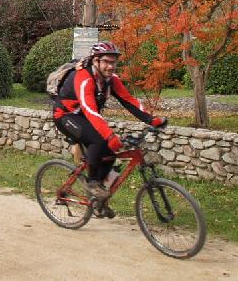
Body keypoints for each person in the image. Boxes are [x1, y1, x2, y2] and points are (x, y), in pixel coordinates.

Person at [52, 41, 167, 203]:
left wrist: (151, 119)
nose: (111, 67)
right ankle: (93, 183)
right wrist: (109, 136)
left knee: (110, 152)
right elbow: (89, 110)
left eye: (114, 62)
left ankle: (98, 199)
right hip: (65, 116)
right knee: (99, 140)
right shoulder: (84, 78)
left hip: (85, 116)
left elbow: (129, 100)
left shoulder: (111, 79)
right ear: (96, 61)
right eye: (106, 62)